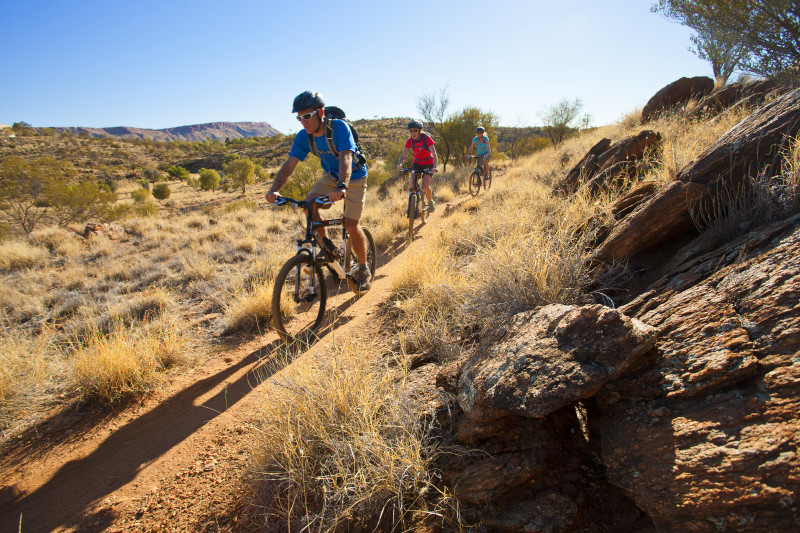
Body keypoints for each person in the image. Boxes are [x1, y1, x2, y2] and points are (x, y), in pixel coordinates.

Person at [266, 91, 371, 293]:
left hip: (355, 176)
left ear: (320, 112)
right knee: (309, 206)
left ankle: (364, 268)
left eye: (307, 116)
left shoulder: (338, 128)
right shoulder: (303, 137)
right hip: (331, 176)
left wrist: (342, 187)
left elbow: (346, 157)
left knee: (350, 224)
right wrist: (274, 190)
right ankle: (328, 249)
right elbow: (289, 165)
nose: (303, 121)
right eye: (299, 117)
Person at [396, 120, 438, 212]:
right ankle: (410, 207)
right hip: (417, 163)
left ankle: (430, 202)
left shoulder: (426, 138)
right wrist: (399, 164)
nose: (413, 133)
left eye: (415, 130)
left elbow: (434, 154)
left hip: (428, 164)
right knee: (412, 185)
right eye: (411, 131)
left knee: (425, 186)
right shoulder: (409, 141)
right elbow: (403, 155)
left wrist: (434, 167)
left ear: (419, 130)